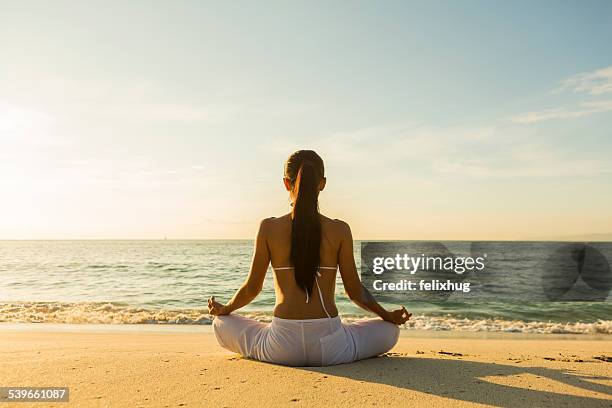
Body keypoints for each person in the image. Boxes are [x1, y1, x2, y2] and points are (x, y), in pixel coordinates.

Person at [208, 150, 411, 366]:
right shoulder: (340, 230)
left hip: (280, 348)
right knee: (390, 331)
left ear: (286, 183)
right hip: (333, 348)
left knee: (220, 323)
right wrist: (386, 315)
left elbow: (252, 289)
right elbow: (355, 292)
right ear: (322, 183)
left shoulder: (268, 228)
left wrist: (226, 309)